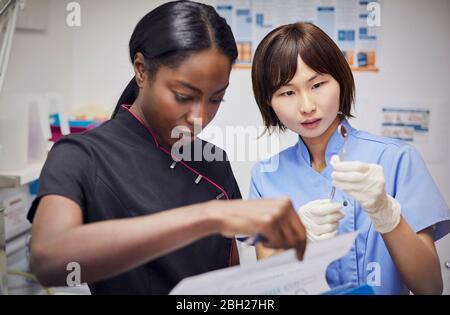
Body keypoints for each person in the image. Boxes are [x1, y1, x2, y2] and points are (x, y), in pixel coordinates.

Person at [28, 1, 306, 295]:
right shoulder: (80, 156)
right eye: (183, 95)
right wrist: (208, 217)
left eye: (215, 99)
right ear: (141, 70)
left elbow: (229, 281)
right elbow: (49, 259)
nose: (199, 117)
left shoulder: (213, 162)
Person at [250, 22, 450, 294]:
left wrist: (387, 216)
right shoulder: (266, 175)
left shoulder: (396, 159)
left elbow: (430, 287)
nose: (307, 106)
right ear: (268, 102)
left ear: (341, 82)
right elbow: (268, 288)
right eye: (287, 92)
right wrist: (296, 242)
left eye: (318, 84)